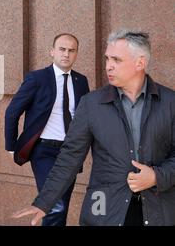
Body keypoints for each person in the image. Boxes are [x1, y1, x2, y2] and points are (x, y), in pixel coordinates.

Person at [12, 30, 175, 226]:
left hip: (159, 209)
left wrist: (157, 176)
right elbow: (70, 156)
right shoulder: (91, 104)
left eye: (116, 60)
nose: (108, 66)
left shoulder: (170, 102)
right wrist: (44, 202)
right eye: (107, 59)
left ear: (140, 63)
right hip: (104, 209)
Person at [5, 33, 89, 226]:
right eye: (62, 49)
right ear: (52, 51)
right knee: (53, 205)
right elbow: (12, 112)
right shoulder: (37, 78)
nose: (66, 54)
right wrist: (11, 146)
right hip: (44, 151)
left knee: (62, 204)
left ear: (76, 54)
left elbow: (85, 117)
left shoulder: (81, 81)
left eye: (71, 50)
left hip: (70, 152)